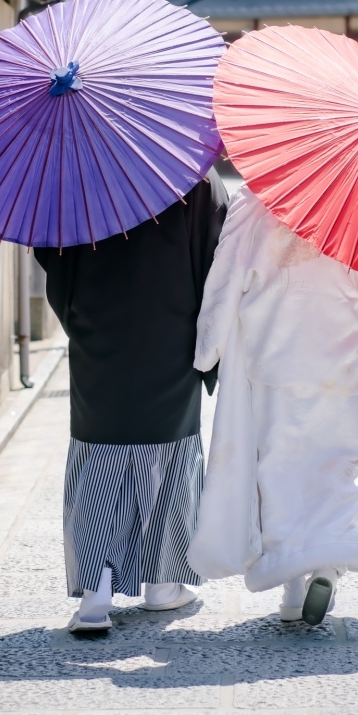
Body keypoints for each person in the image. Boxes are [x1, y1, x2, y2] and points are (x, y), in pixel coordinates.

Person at [34, 171, 229, 633]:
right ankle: (163, 584)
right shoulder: (192, 174)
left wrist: (80, 319)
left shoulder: (75, 175)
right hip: (172, 334)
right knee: (170, 453)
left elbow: (53, 257)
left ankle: (96, 588)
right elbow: (218, 258)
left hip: (100, 333)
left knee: (100, 450)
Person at [186, 182, 358, 626]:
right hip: (339, 351)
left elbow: (226, 278)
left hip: (273, 351)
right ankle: (327, 563)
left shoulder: (253, 201)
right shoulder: (354, 199)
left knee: (279, 462)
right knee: (338, 460)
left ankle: (293, 590)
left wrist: (207, 349)